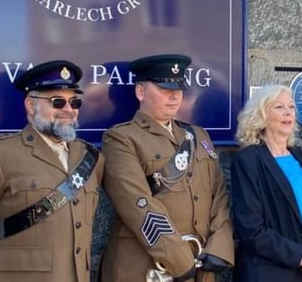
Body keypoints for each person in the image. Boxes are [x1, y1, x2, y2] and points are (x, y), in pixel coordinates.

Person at [0, 60, 104, 282]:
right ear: (30, 105)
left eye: (74, 102)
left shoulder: (90, 158)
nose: (68, 110)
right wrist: (0, 269)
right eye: (57, 102)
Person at [100, 54, 233, 282]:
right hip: (147, 268)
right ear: (140, 92)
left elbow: (218, 194)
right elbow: (138, 205)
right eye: (164, 88)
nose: (174, 96)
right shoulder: (122, 139)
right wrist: (179, 260)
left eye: (178, 89)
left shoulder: (198, 135)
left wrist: (220, 246)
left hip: (202, 265)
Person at [231, 84, 302, 282]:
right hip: (268, 272)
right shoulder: (248, 159)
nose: (288, 112)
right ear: (261, 115)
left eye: (292, 107)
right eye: (279, 107)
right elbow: (251, 231)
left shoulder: (296, 154)